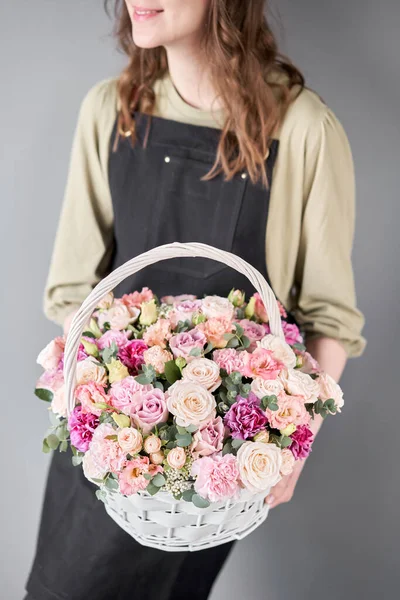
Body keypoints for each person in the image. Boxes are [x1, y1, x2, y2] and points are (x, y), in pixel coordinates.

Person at [24, 1, 367, 599]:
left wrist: (291, 450)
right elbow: (75, 293)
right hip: (111, 449)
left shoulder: (303, 128)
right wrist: (105, 411)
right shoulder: (114, 112)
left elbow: (328, 317)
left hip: (214, 471)